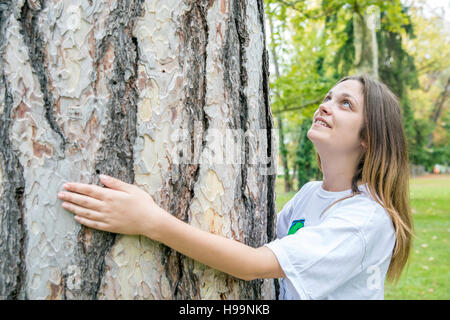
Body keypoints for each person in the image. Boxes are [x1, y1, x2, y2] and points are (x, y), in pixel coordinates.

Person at [57, 74, 414, 299]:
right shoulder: (309, 194)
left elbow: (254, 264)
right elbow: (256, 244)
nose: (325, 107)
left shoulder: (366, 219)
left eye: (345, 104)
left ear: (368, 138)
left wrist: (150, 221)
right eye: (327, 98)